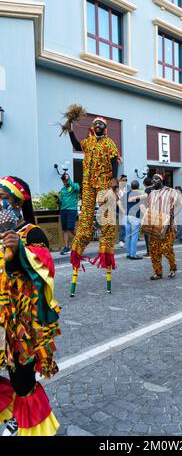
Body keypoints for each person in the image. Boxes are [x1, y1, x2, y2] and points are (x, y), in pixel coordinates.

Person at [0, 176, 60, 436]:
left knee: (21, 377)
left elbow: (44, 268)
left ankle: (24, 423)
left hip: (23, 321)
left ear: (16, 202)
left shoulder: (32, 233)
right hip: (1, 315)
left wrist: (18, 253)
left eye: (1, 198)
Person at [68, 117, 120, 270]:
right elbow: (77, 146)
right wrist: (71, 131)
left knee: (106, 217)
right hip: (88, 184)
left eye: (101, 124)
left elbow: (114, 161)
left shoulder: (109, 143)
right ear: (92, 127)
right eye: (95, 123)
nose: (97, 125)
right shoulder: (88, 142)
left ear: (105, 128)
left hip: (104, 182)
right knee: (85, 217)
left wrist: (114, 180)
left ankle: (106, 252)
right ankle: (77, 249)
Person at [145, 174, 178, 280]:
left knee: (166, 248)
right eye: (153, 179)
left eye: (156, 179)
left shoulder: (171, 191)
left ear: (162, 180)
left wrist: (170, 222)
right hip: (154, 225)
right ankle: (157, 272)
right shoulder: (151, 194)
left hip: (168, 225)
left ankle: (173, 268)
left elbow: (175, 207)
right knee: (154, 250)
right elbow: (149, 209)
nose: (153, 180)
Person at [59, 172, 80, 255]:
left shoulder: (75, 185)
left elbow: (77, 189)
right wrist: (58, 200)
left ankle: (80, 241)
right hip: (63, 210)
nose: (65, 182)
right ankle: (67, 247)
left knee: (71, 228)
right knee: (65, 229)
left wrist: (69, 180)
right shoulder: (63, 189)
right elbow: (61, 201)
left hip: (72, 210)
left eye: (65, 180)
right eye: (63, 181)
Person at [125, 180, 143, 260]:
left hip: (126, 216)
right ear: (138, 186)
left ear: (131, 186)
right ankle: (133, 254)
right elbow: (141, 206)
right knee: (134, 236)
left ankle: (128, 253)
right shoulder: (140, 194)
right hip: (134, 216)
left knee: (128, 236)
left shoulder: (126, 194)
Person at [117, 174, 128, 248]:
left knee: (127, 226)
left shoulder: (127, 188)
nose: (124, 181)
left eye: (126, 180)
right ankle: (121, 240)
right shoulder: (117, 189)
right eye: (123, 180)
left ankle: (123, 240)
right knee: (123, 226)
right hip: (121, 209)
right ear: (120, 180)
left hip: (128, 209)